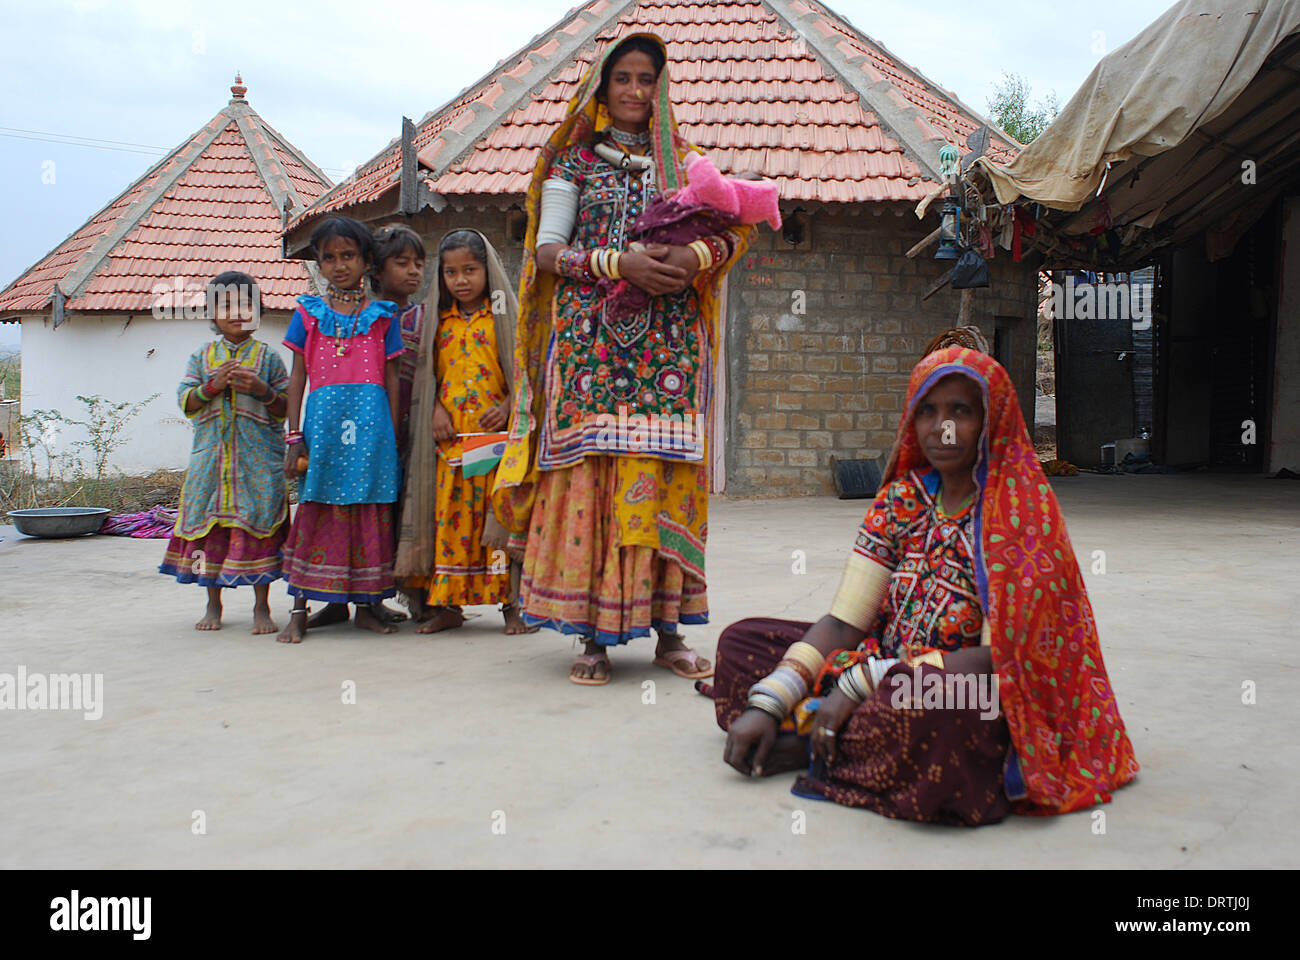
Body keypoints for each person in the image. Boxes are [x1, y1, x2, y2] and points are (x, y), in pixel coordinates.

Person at [715, 343, 1139, 824]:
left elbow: (996, 660)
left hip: (964, 686)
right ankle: (825, 733)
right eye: (927, 411)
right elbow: (844, 624)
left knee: (945, 715)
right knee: (741, 644)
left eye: (961, 411)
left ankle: (807, 743)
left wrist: (858, 684)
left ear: (993, 419)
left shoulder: (1021, 516)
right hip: (881, 663)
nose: (942, 427)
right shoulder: (902, 499)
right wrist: (771, 702)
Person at [492, 33, 750, 685]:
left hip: (671, 357)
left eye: (647, 79)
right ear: (602, 88)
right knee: (595, 483)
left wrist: (695, 256)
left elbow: (737, 228)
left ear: (661, 88)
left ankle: (670, 633)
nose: (635, 90)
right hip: (592, 355)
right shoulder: (573, 164)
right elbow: (547, 253)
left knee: (665, 479)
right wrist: (617, 264)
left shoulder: (686, 164)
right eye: (623, 78)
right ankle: (593, 638)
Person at [395, 229, 535, 635]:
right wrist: (435, 410)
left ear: (487, 271)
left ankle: (511, 605)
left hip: (496, 445)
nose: (460, 280)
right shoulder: (438, 321)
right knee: (450, 524)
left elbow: (526, 372)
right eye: (451, 272)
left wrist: (508, 407)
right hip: (450, 443)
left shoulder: (505, 318)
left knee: (497, 526)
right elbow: (425, 377)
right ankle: (449, 605)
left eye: (470, 270)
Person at [277, 216, 404, 643]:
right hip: (324, 431)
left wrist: (392, 436)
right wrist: (294, 436)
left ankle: (366, 607)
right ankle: (299, 610)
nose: (339, 265)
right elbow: (297, 377)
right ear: (318, 263)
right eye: (328, 257)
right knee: (317, 508)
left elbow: (392, 380)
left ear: (366, 260)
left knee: (368, 508)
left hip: (372, 432)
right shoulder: (308, 313)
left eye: (348, 255)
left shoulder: (383, 317)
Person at [159, 271, 289, 633]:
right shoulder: (201, 358)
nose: (237, 313)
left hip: (257, 466)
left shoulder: (269, 358)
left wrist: (262, 390)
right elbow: (186, 402)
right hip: (211, 467)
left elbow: (285, 407)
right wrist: (212, 386)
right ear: (212, 314)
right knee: (210, 536)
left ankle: (261, 607)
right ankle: (212, 604)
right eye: (226, 306)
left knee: (258, 531)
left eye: (246, 305)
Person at [370, 223, 428, 622]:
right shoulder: (367, 319)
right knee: (379, 511)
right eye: (402, 263)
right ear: (377, 270)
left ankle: (420, 594)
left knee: (415, 508)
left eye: (419, 264)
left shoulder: (426, 317)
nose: (413, 271)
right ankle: (370, 596)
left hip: (417, 428)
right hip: (375, 430)